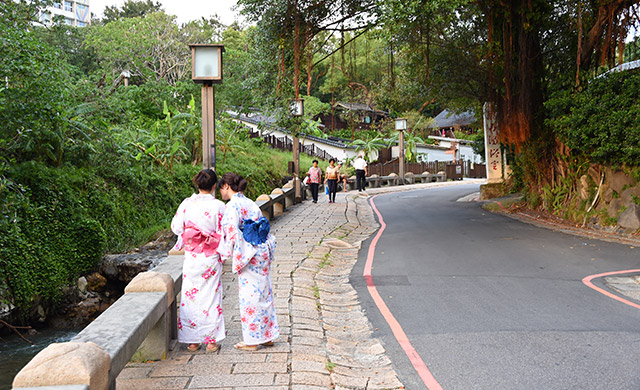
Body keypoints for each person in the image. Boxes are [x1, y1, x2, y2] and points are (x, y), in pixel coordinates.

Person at [217, 173, 279, 351]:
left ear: (227, 186)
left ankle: (252, 340)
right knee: (264, 293)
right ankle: (267, 336)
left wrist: (225, 253)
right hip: (261, 250)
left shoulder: (232, 206)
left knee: (249, 297)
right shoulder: (250, 203)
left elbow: (232, 233)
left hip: (248, 253)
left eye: (222, 187)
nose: (221, 191)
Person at [171, 169, 226, 353]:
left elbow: (176, 227)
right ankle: (211, 341)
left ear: (197, 184)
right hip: (210, 256)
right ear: (213, 187)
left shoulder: (187, 204)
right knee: (211, 297)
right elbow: (223, 232)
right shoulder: (218, 206)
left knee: (190, 296)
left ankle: (192, 341)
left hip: (193, 257)